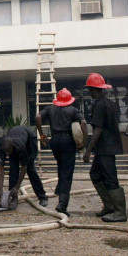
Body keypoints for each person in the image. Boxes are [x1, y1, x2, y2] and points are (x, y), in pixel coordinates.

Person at [36, 88, 87, 216]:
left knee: (61, 166)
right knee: (67, 172)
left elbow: (38, 117)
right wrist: (84, 141)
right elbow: (84, 122)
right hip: (67, 141)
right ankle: (62, 205)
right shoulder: (73, 110)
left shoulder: (50, 109)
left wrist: (42, 134)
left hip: (55, 141)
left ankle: (59, 189)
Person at [82, 72, 126, 222]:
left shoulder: (100, 105)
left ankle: (119, 212)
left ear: (94, 89)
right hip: (105, 147)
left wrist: (88, 150)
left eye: (90, 89)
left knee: (110, 178)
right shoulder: (110, 103)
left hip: (106, 147)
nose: (89, 92)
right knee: (95, 174)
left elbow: (98, 129)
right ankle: (109, 206)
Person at [0, 125, 48, 207]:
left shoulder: (20, 147)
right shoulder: (2, 147)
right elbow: (1, 168)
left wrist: (17, 187)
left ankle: (42, 197)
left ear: (12, 147)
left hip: (30, 141)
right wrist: (1, 190)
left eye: (8, 152)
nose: (7, 154)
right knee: (13, 170)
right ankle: (12, 197)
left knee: (30, 170)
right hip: (15, 141)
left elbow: (24, 167)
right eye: (6, 153)